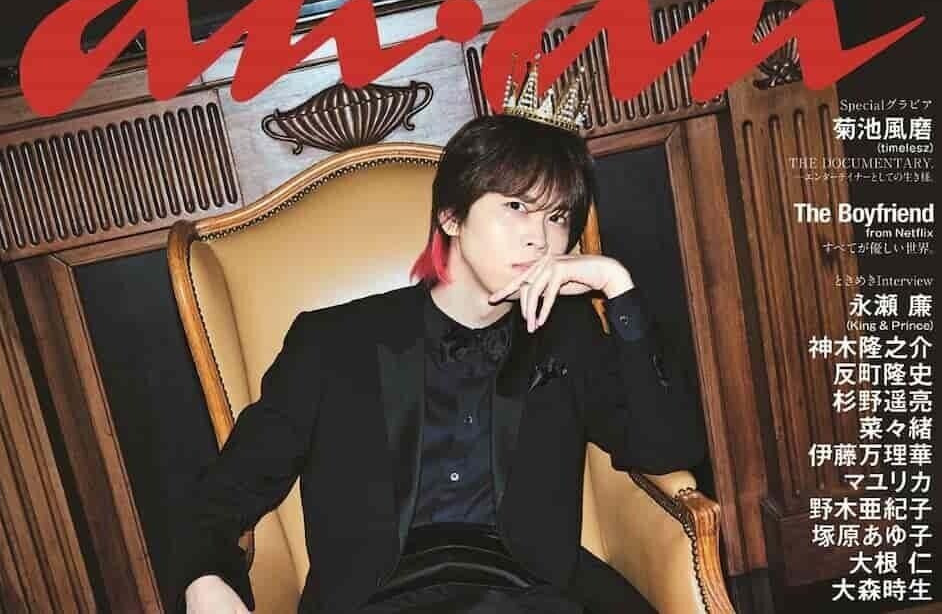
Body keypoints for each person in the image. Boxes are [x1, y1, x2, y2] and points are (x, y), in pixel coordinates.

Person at [173, 111, 708, 613]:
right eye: (515, 207)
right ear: (451, 216)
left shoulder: (565, 335)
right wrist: (205, 578)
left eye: (557, 216)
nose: (539, 237)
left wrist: (617, 288)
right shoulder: (332, 343)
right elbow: (229, 486)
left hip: (530, 596)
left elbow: (665, 448)